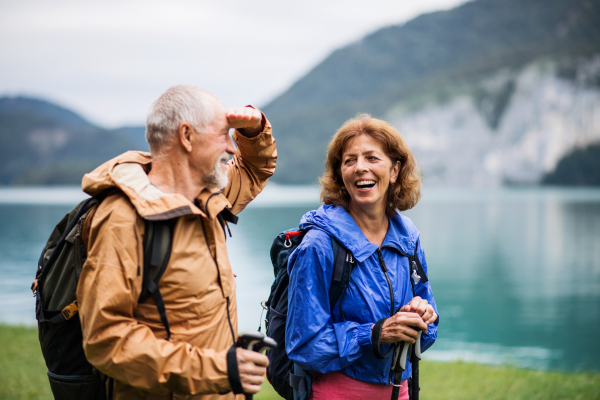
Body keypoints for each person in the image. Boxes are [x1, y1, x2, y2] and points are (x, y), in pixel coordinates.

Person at [76, 85, 277, 399]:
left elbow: (255, 168)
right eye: (224, 134)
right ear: (187, 136)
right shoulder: (122, 219)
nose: (232, 147)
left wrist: (254, 131)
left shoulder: (209, 198)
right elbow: (106, 338)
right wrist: (219, 370)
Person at [286, 114, 438, 400]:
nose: (360, 168)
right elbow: (303, 346)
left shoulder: (408, 237)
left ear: (394, 170)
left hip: (400, 392)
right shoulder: (319, 245)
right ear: (341, 175)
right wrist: (374, 334)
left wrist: (424, 316)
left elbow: (430, 325)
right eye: (349, 161)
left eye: (371, 158)